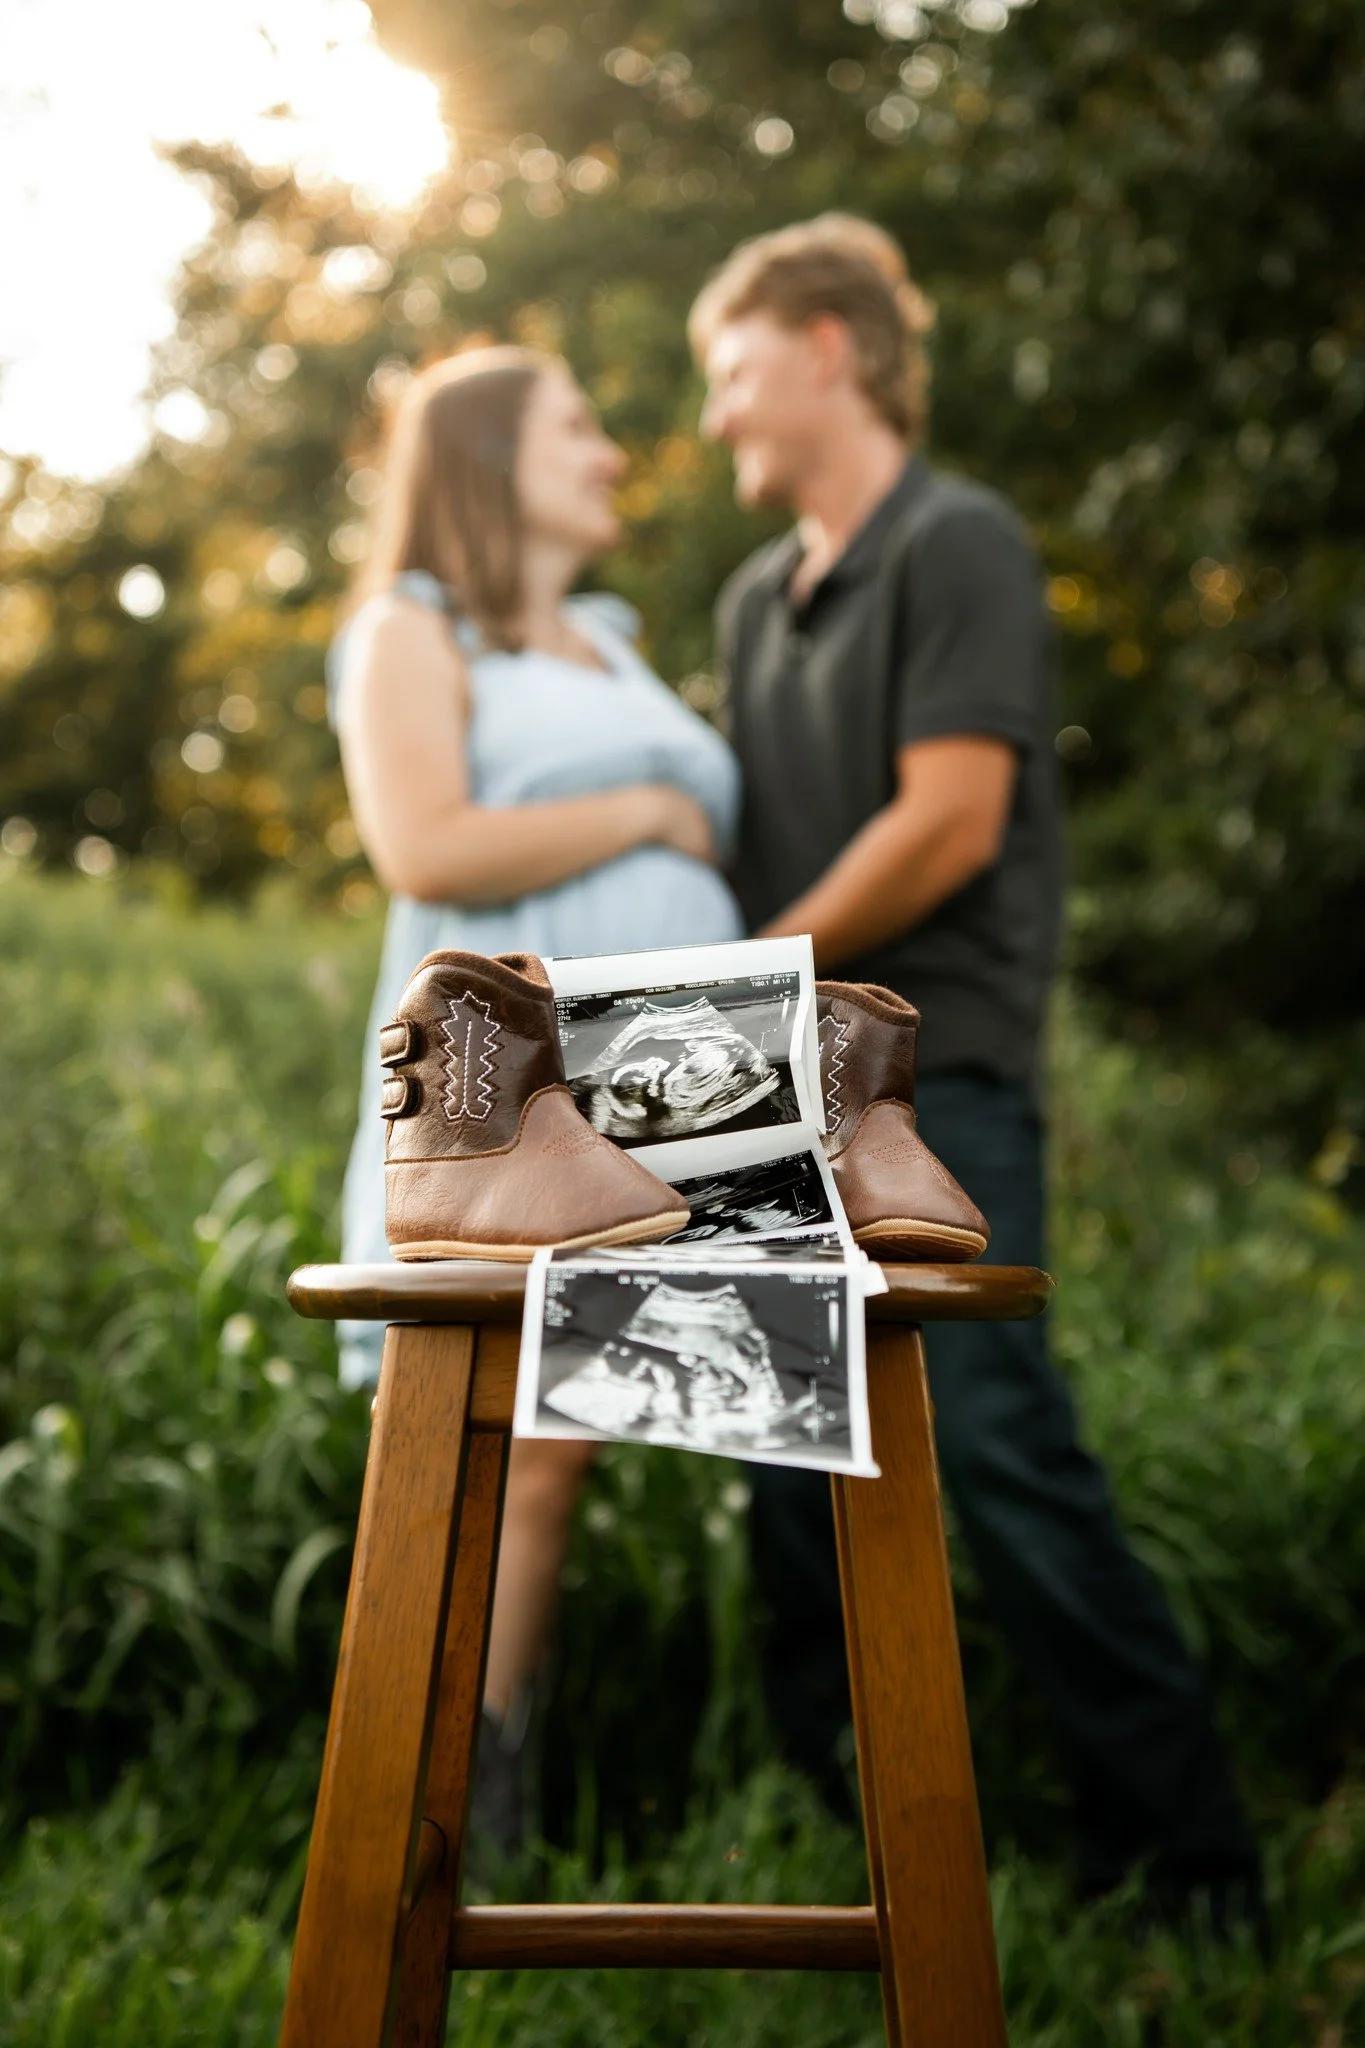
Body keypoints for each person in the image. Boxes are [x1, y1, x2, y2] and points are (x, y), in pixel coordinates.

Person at [690, 216, 1261, 1917]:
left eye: (732, 373)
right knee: (782, 1468)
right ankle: (836, 1852)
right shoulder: (745, 599)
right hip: (762, 1084)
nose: (716, 417)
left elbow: (952, 817)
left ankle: (1190, 1869)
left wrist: (752, 974)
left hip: (936, 1083)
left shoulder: (962, 542)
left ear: (829, 352)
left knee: (1002, 1451)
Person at [327, 344, 745, 1844]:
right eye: (582, 426)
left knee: (651, 1423)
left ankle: (592, 1785)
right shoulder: (409, 629)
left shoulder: (614, 641)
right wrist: (645, 812)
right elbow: (422, 844)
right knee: (497, 1435)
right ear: (495, 457)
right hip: (521, 1063)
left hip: (681, 1062)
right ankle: (434, 1799)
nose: (614, 452)